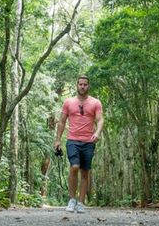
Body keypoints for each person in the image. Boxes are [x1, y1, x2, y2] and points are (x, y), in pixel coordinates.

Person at [54, 75, 104, 213]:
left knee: (85, 172)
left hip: (89, 141)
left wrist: (97, 133)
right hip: (73, 140)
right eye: (80, 84)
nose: (82, 86)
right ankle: (72, 200)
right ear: (77, 85)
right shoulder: (68, 102)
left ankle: (81, 202)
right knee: (74, 166)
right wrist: (58, 140)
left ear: (88, 86)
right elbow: (62, 121)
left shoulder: (95, 103)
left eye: (85, 84)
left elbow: (100, 119)